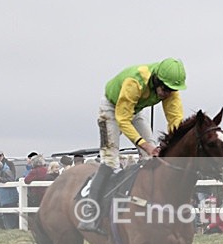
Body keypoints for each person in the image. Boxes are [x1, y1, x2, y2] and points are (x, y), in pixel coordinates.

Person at [77, 58, 187, 234]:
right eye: (165, 89)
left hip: (135, 109)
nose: (167, 94)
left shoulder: (171, 91)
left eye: (172, 90)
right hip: (111, 109)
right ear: (156, 80)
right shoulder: (135, 82)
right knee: (110, 161)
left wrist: (172, 145)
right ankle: (90, 213)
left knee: (151, 156)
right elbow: (123, 120)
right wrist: (145, 145)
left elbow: (175, 122)